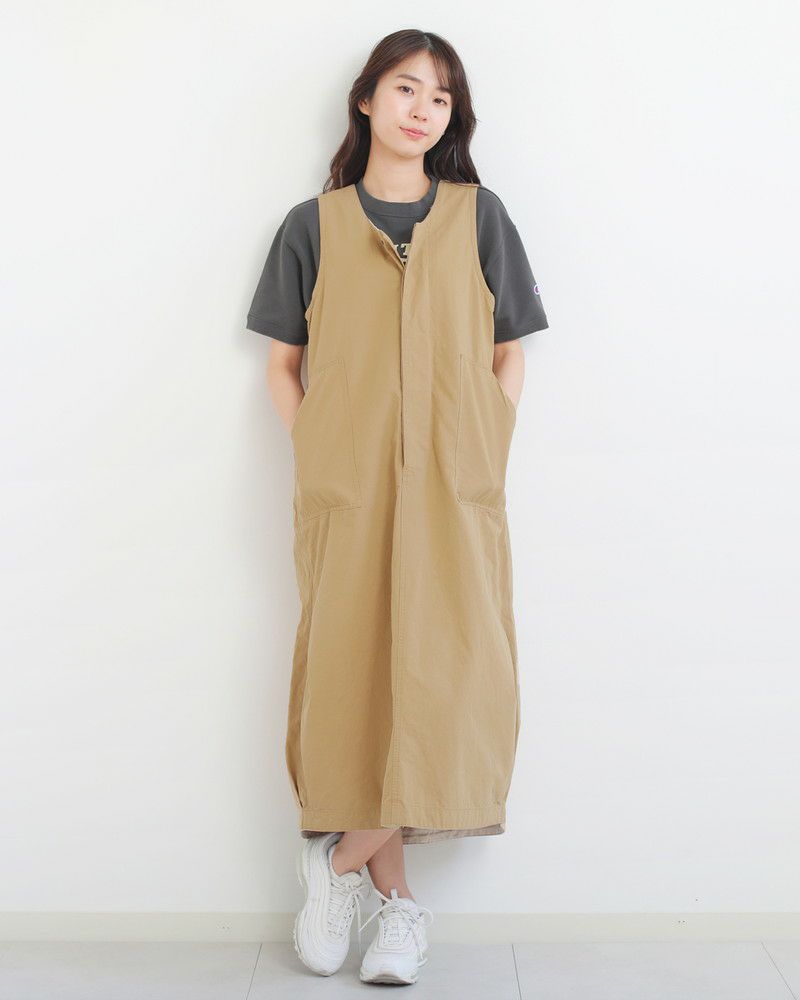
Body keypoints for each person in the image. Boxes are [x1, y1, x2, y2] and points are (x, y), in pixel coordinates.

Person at [246, 28, 548, 986]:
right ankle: (398, 908)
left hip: (457, 485)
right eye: (407, 88)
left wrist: (485, 439)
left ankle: (338, 864)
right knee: (356, 672)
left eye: (442, 97)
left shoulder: (480, 216)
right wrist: (321, 447)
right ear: (367, 99)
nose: (424, 109)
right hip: (348, 487)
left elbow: (510, 349)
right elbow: (282, 365)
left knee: (452, 676)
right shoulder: (314, 226)